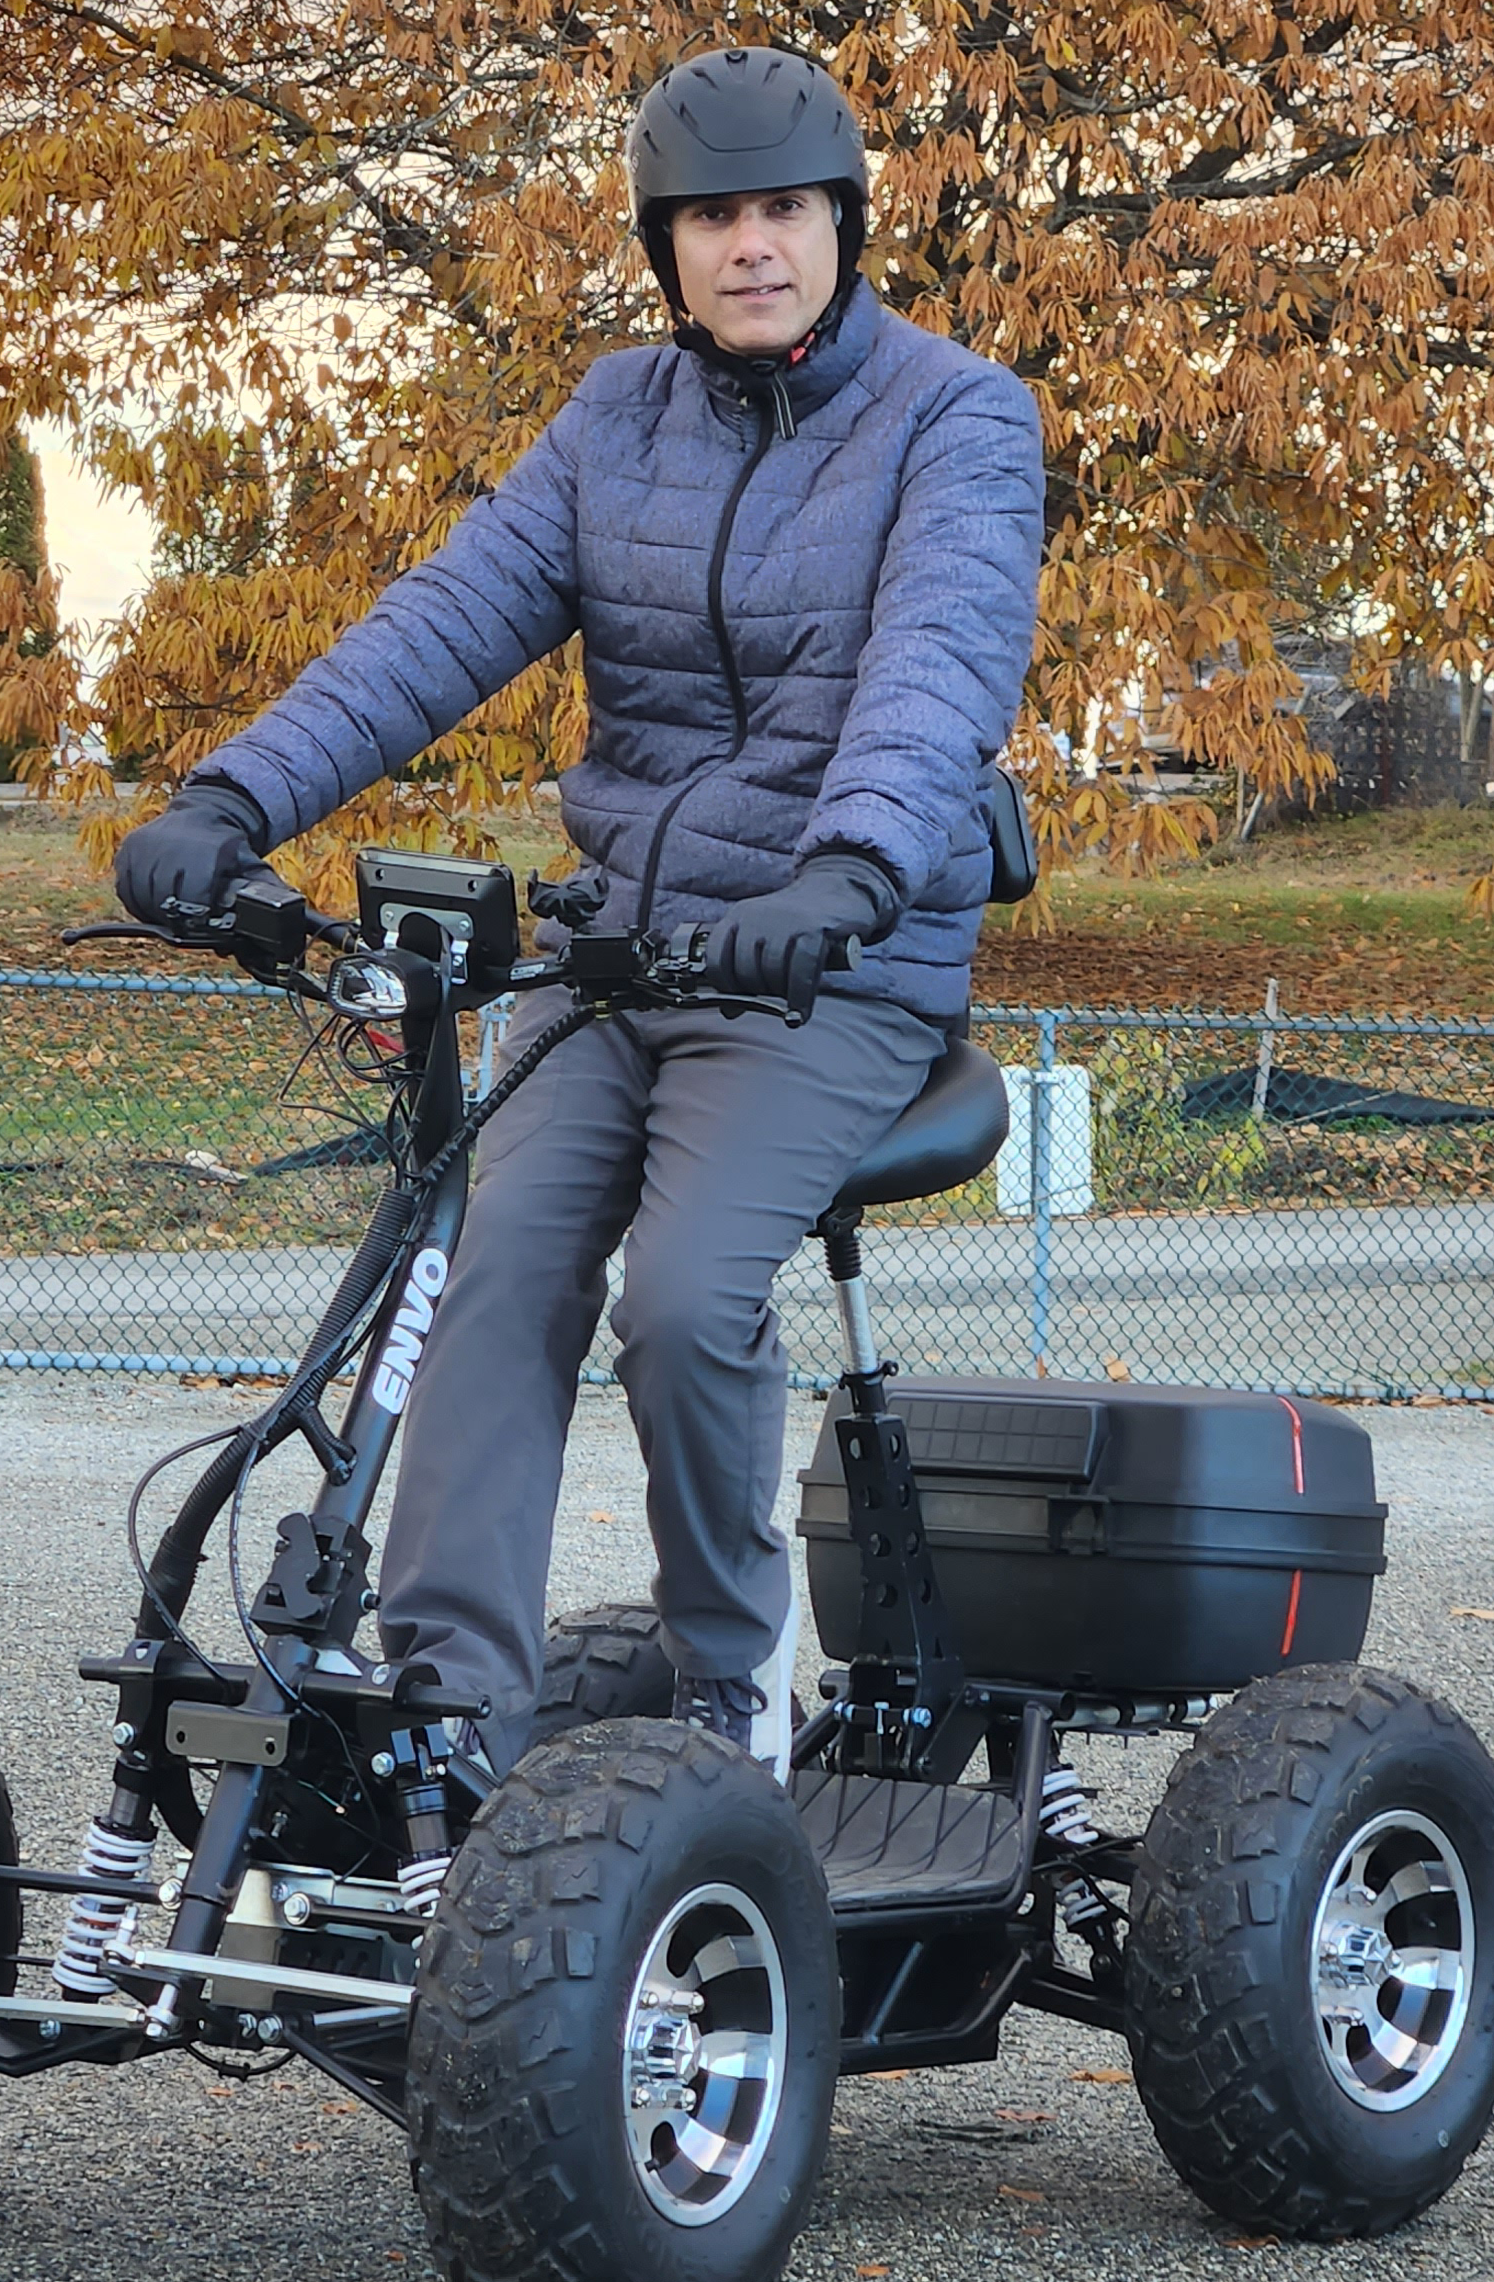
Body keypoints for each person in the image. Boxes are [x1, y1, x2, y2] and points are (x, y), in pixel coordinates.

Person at [111, 45, 1043, 1769]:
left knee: (685, 1302)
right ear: (663, 244)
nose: (749, 246)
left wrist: (846, 874)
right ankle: (449, 1718)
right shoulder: (618, 418)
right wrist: (233, 798)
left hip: (832, 966)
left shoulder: (958, 418)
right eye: (710, 217)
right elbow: (441, 625)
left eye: (782, 210)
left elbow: (937, 665)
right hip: (617, 958)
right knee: (475, 1277)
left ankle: (731, 1696)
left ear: (842, 224)